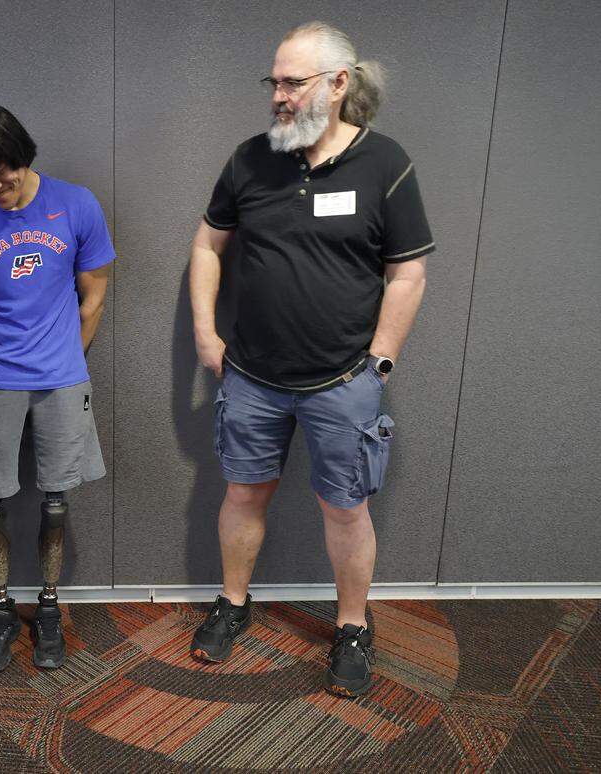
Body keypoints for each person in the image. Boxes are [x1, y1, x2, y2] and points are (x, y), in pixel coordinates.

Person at [187, 22, 434, 698]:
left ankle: (353, 626)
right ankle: (233, 603)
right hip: (252, 378)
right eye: (275, 82)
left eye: (293, 83)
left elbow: (407, 274)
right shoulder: (249, 160)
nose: (279, 96)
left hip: (342, 381)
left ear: (339, 83)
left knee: (345, 510)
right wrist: (208, 337)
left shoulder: (386, 164)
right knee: (242, 492)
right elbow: (209, 246)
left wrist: (379, 361)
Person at [0, 105, 115, 673]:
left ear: (24, 156)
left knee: (57, 496)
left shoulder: (77, 204)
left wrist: (61, 357)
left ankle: (50, 607)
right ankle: (2, 608)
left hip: (62, 378)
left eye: (3, 172)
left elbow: (94, 297)